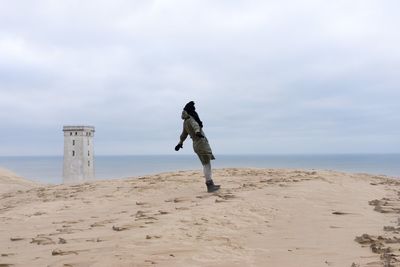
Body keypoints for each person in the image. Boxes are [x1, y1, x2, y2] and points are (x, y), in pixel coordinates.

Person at [175, 101, 220, 192]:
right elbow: (195, 125)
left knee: (205, 164)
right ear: (190, 111)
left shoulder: (185, 122)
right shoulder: (191, 118)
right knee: (207, 164)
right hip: (200, 143)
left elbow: (184, 134)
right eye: (193, 109)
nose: (195, 111)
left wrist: (180, 143)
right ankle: (210, 185)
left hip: (196, 144)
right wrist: (197, 132)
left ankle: (210, 184)